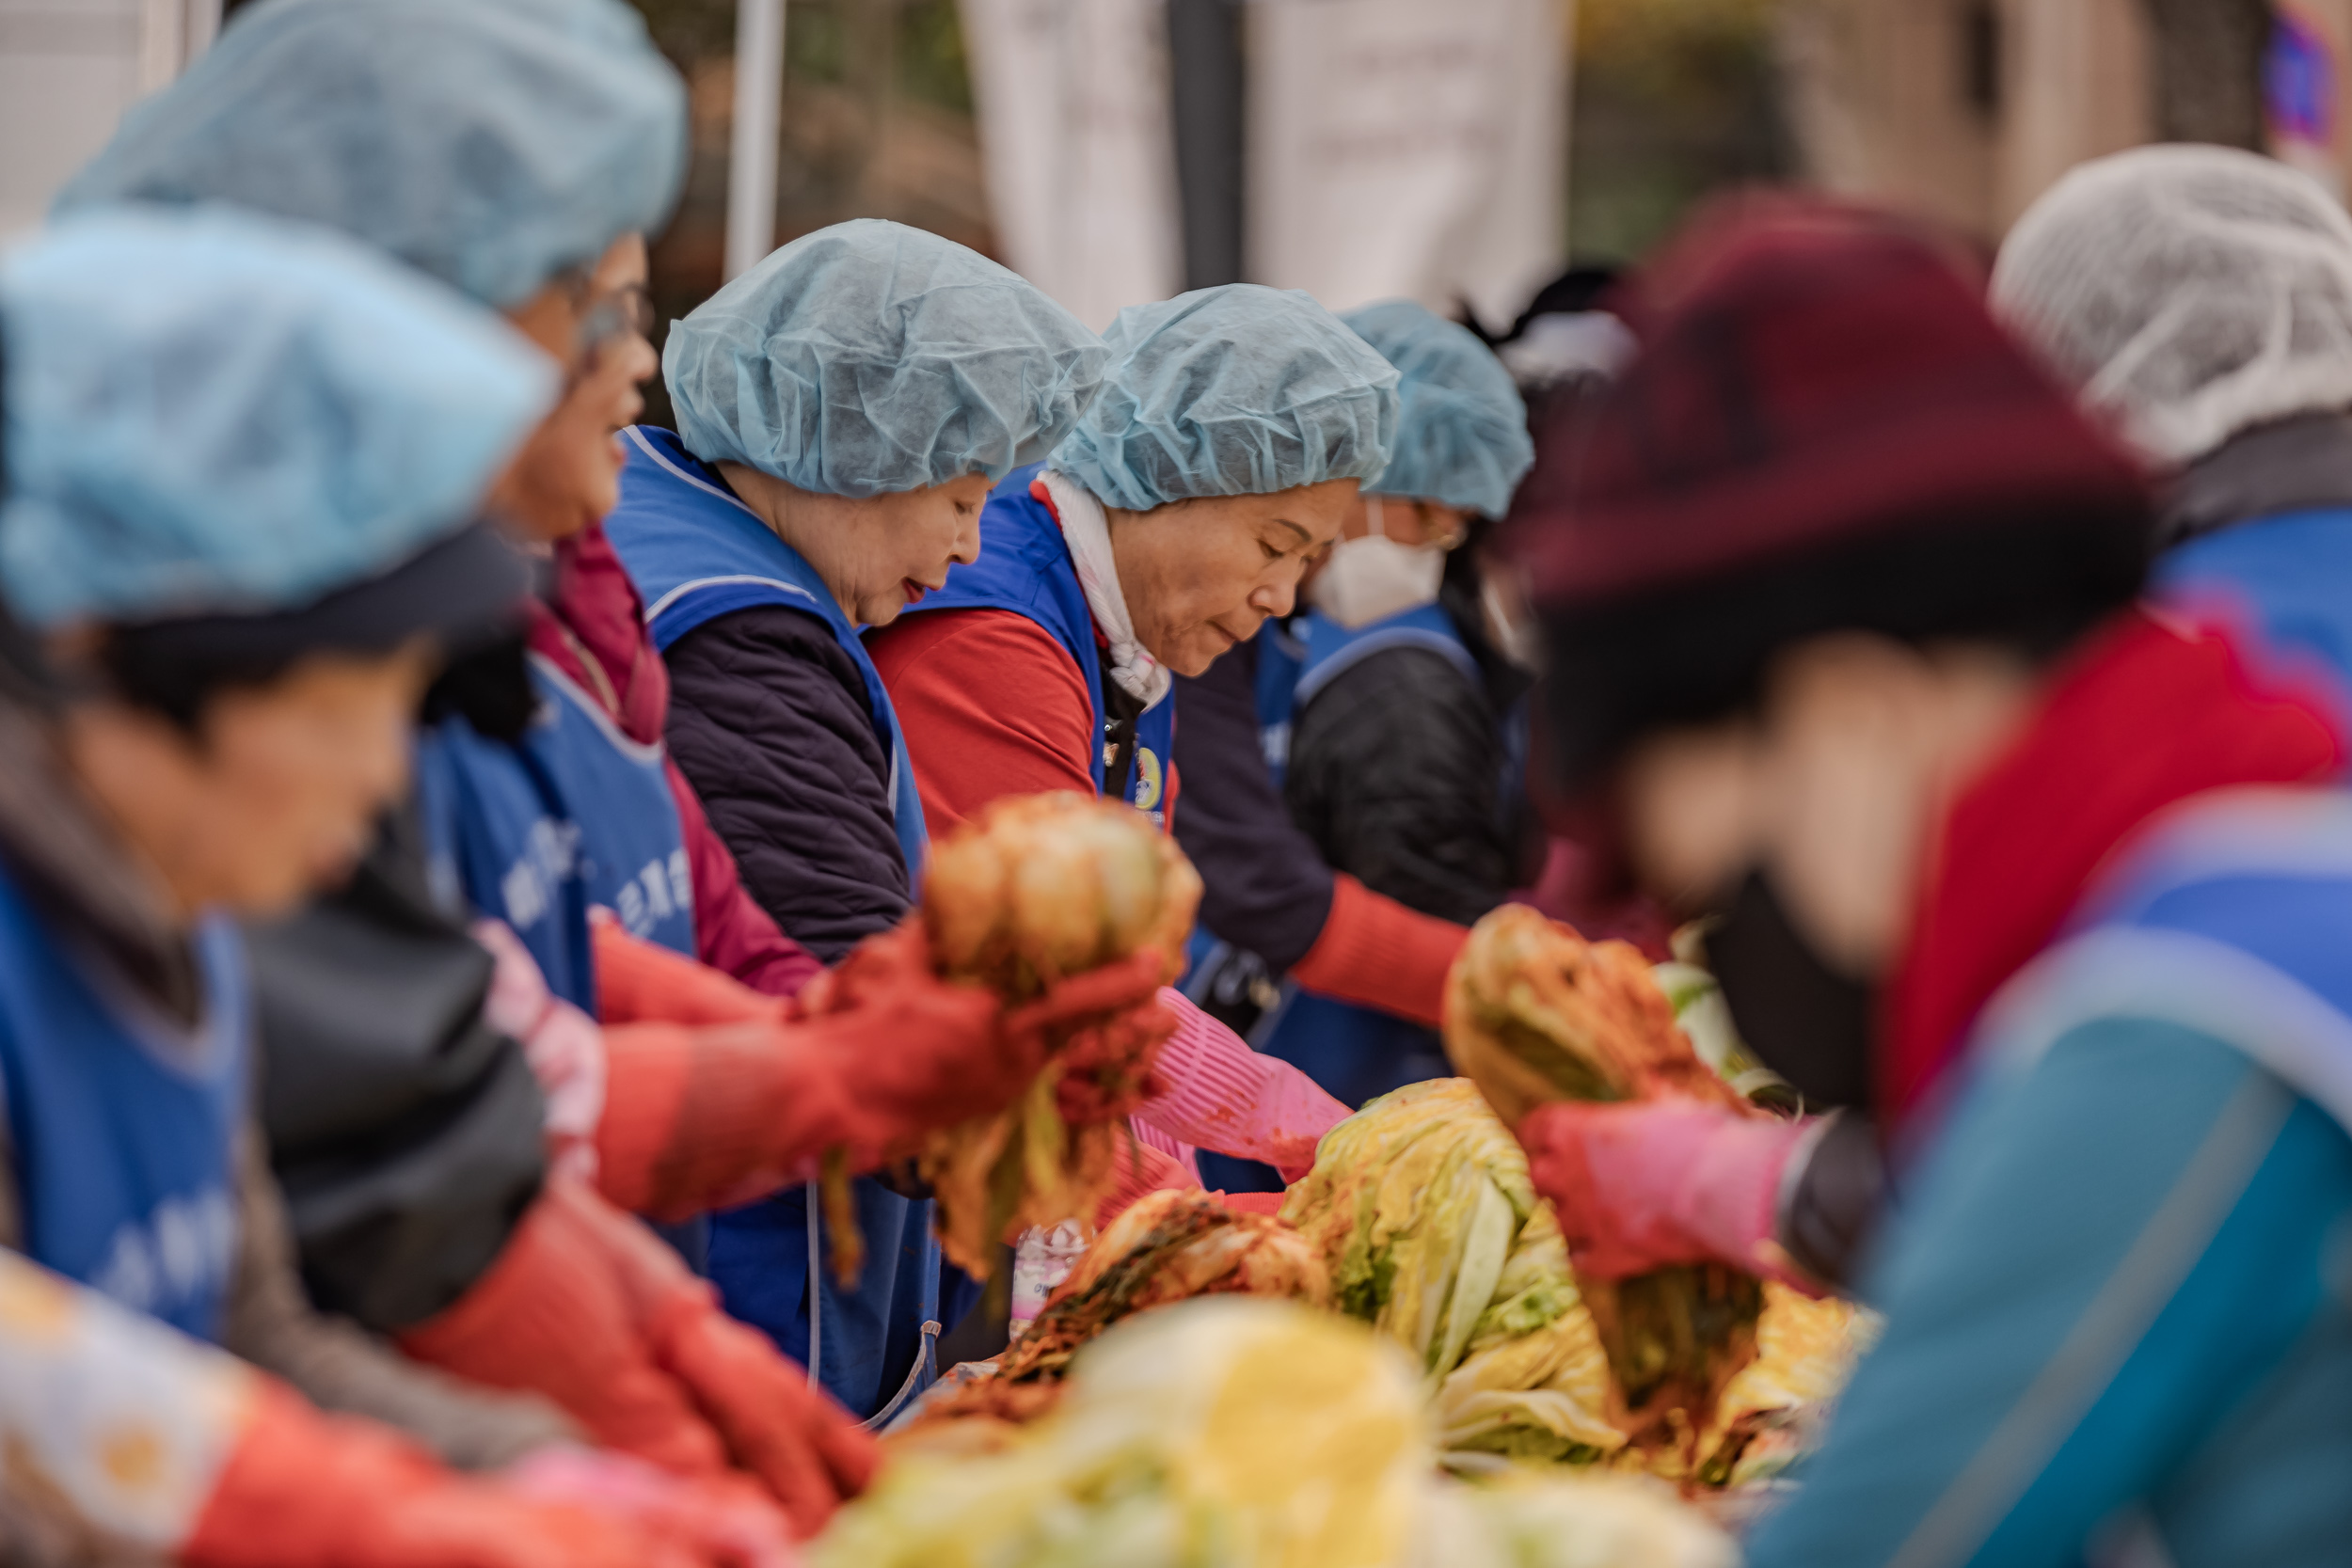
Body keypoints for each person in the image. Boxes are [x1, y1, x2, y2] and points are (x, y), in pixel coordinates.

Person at [56, 0, 1137, 1527]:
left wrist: (667, 1347)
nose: (639, 362)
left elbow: (488, 1044)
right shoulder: (144, 835)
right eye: (601, 302)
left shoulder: (483, 629)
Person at [1497, 198, 2352, 1566]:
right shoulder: (2278, 849)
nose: (1732, 945)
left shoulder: (2190, 1014)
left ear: (1854, 712)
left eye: (1727, 870)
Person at [0, 203, 784, 1568]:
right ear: (104, 658)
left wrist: (536, 1475)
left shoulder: (191, 923)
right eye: (343, 706)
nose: (379, 785)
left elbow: (253, 1344)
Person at [598, 217, 1111, 1416]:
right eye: (959, 492)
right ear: (856, 441)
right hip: (749, 1302)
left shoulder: (659, 518)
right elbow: (828, 970)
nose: (968, 546)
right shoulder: (747, 644)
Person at [868, 285, 1403, 1201]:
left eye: (1307, 562)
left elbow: (1125, 982)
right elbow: (1047, 991)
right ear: (1169, 473)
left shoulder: (1132, 640)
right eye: (1274, 544)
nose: (1282, 596)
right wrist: (1218, 1196)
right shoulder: (997, 639)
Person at [1222, 299, 1540, 1118]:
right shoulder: (1271, 638)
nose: (1431, 546)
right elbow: (1257, 878)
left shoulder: (1326, 644)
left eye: (1454, 530)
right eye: (1425, 513)